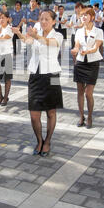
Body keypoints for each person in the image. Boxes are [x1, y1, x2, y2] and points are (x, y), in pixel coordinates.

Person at [12, 9, 63, 157]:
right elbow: (28, 41)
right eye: (41, 19)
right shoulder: (36, 32)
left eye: (47, 19)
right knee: (34, 113)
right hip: (35, 74)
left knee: (51, 111)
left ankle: (47, 141)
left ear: (53, 21)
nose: (43, 21)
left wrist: (35, 35)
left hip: (52, 75)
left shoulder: (57, 35)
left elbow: (49, 43)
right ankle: (39, 140)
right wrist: (19, 33)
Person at [71, 8, 103, 129]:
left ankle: (89, 116)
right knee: (79, 91)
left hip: (92, 62)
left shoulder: (98, 31)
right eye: (81, 15)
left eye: (86, 15)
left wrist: (87, 51)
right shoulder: (78, 32)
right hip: (80, 63)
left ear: (92, 17)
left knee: (88, 93)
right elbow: (76, 46)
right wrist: (74, 51)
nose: (83, 17)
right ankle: (81, 116)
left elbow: (96, 48)